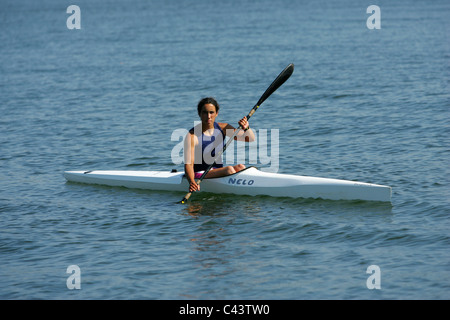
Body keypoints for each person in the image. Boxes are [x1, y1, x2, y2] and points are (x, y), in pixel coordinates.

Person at [184, 97, 256, 193]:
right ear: (200, 114)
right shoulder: (192, 136)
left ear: (216, 113)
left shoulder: (223, 128)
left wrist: (247, 128)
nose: (208, 116)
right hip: (199, 174)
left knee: (241, 167)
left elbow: (249, 139)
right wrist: (192, 182)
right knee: (229, 170)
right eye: (205, 113)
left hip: (216, 170)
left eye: (211, 112)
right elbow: (188, 164)